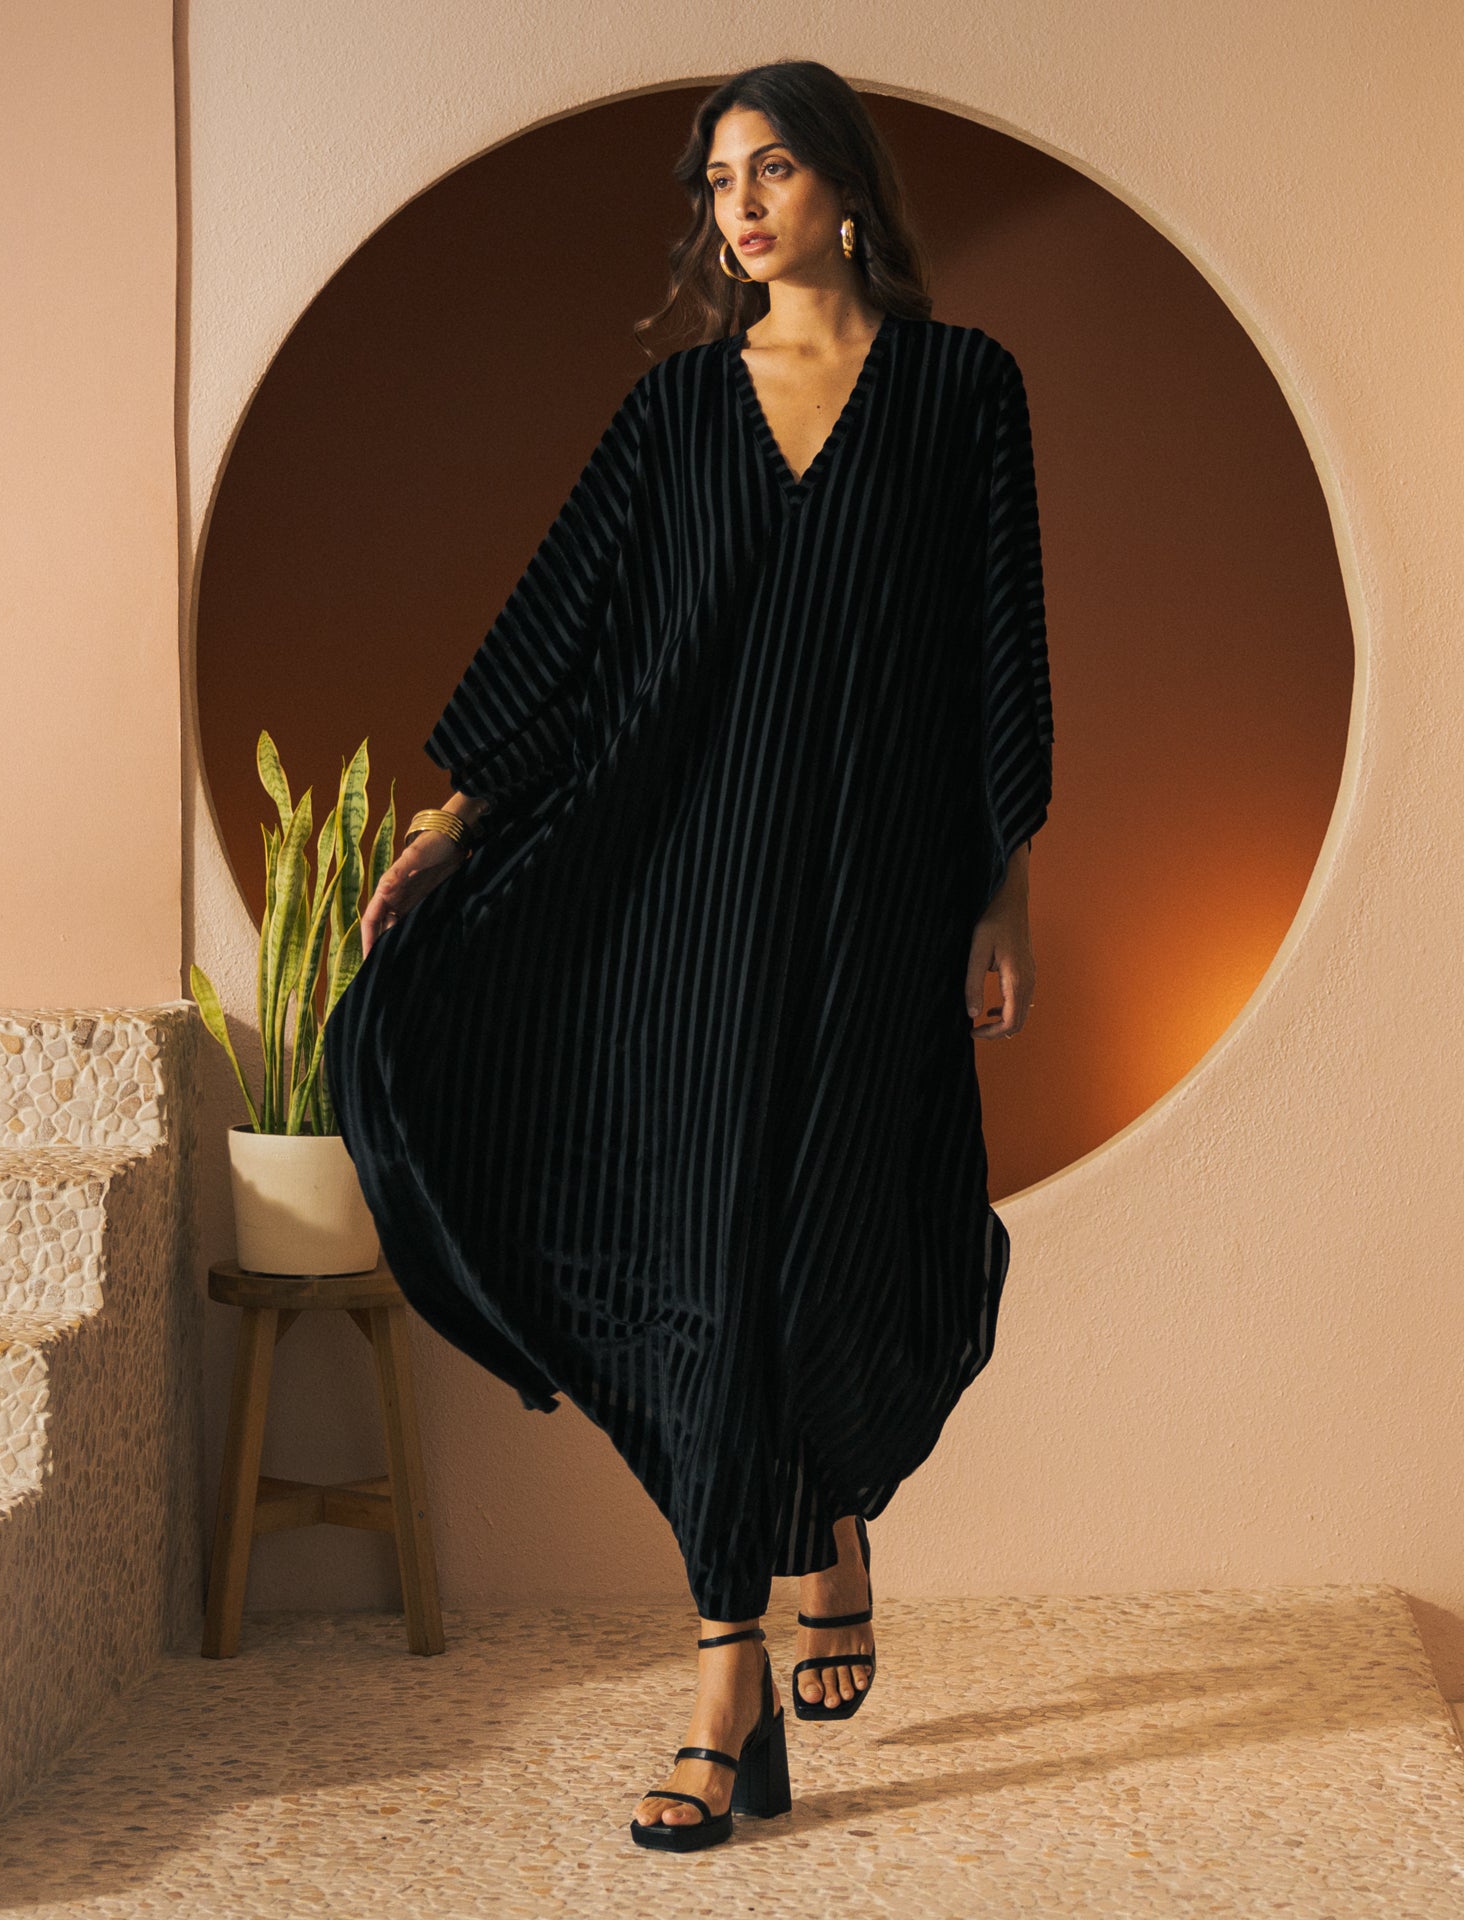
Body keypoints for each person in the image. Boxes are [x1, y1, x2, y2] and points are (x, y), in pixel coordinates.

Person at [321, 57, 1053, 1855]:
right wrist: (463, 818)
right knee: (710, 1257)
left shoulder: (965, 390)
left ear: (848, 189)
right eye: (719, 179)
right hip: (691, 890)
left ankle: (830, 1518)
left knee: (835, 1242)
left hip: (876, 893)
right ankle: (729, 1680)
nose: (742, 205)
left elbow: (998, 650)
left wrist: (1002, 893)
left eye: (774, 167)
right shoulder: (673, 414)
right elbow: (571, 632)